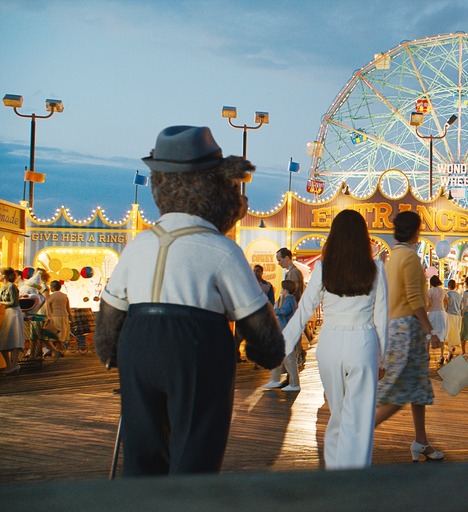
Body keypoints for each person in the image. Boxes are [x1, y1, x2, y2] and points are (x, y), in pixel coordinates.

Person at [94, 125, 285, 475]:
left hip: (138, 345)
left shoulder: (139, 245)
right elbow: (256, 320)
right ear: (217, 186)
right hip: (196, 347)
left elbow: (111, 309)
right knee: (196, 448)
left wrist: (109, 350)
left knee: (142, 449)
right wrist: (266, 352)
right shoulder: (222, 250)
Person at [282, 209, 387, 469]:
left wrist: (281, 344)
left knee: (337, 414)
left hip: (329, 344)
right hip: (363, 342)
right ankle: (355, 479)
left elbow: (304, 309)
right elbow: (383, 317)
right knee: (360, 420)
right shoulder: (375, 269)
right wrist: (383, 357)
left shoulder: (323, 268)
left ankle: (336, 470)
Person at [374, 211, 443, 462]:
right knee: (400, 392)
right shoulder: (411, 258)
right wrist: (430, 331)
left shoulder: (393, 257)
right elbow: (414, 299)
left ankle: (421, 441)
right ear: (417, 230)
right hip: (408, 328)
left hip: (395, 325)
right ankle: (360, 432)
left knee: (417, 388)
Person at [263, 280, 301, 391]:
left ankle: (294, 383)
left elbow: (285, 311)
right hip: (286, 330)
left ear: (285, 290)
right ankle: (275, 379)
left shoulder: (289, 300)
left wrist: (274, 311)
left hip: (286, 330)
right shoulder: (291, 300)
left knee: (288, 357)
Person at [0, 267, 25, 374]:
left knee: (15, 337)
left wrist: (2, 303)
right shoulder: (4, 287)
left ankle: (14, 364)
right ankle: (10, 365)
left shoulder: (11, 286)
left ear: (4, 275)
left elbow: (14, 302)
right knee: (4, 339)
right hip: (8, 312)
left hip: (13, 313)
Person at [45, 280, 70, 359]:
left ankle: (58, 351)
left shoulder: (51, 297)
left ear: (52, 287)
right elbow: (68, 308)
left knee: (55, 336)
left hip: (55, 317)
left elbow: (47, 306)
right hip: (64, 316)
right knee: (60, 336)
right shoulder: (64, 296)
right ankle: (53, 351)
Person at [427, 275, 448, 365]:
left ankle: (427, 354)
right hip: (442, 313)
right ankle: (442, 355)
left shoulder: (430, 291)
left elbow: (430, 304)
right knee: (441, 334)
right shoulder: (443, 291)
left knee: (429, 333)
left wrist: (425, 310)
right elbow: (448, 302)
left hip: (433, 313)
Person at [442, 279, 462, 359]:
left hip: (449, 315)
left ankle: (450, 350)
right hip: (458, 316)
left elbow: (446, 306)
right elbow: (461, 306)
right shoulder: (458, 295)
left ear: (448, 286)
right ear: (455, 286)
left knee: (447, 335)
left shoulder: (447, 294)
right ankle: (449, 354)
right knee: (454, 335)